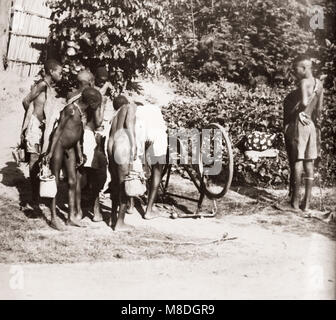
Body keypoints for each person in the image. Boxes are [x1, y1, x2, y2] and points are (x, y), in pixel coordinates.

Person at [45, 87, 102, 230]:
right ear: (91, 102)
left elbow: (76, 134)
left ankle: (70, 217)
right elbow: (58, 130)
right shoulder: (71, 109)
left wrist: (79, 152)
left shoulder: (82, 113)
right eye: (97, 103)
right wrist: (50, 152)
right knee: (55, 182)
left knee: (72, 181)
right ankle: (53, 218)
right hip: (59, 146)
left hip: (70, 149)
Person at [107, 95, 168, 231]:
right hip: (123, 146)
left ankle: (113, 217)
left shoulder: (114, 117)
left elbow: (111, 138)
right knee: (125, 183)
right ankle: (120, 223)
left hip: (111, 146)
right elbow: (129, 124)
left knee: (116, 183)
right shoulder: (130, 106)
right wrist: (134, 146)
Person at [283, 54, 323, 214]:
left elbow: (305, 102)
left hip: (300, 124)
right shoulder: (319, 84)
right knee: (309, 163)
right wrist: (312, 117)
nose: (295, 72)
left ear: (305, 68)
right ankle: (307, 204)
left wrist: (299, 111)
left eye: (296, 69)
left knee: (297, 162)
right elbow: (319, 110)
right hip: (311, 125)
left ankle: (294, 203)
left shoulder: (304, 82)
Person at [20, 59, 63, 210]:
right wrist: (33, 117)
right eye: (59, 72)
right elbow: (26, 101)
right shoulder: (42, 85)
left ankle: (37, 194)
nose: (61, 75)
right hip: (35, 126)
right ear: (51, 71)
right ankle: (33, 198)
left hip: (42, 128)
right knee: (33, 159)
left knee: (41, 159)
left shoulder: (50, 87)